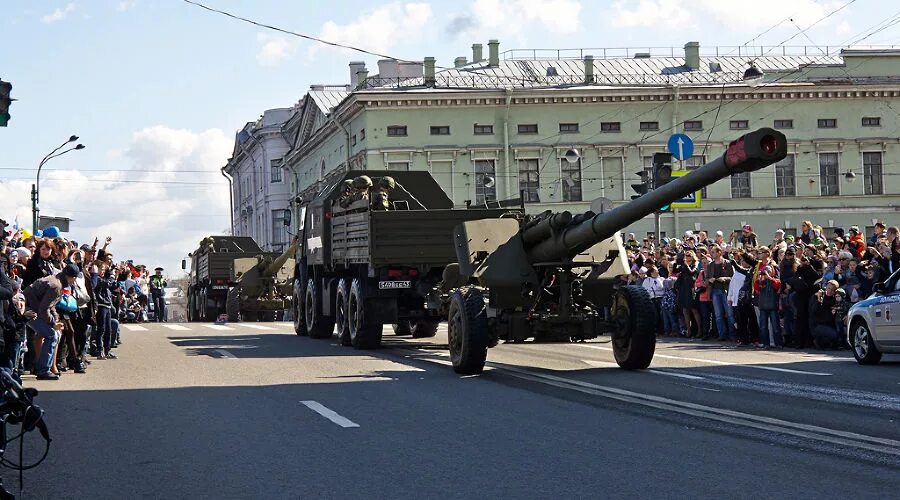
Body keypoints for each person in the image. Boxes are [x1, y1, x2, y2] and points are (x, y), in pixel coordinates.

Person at [23, 263, 79, 380]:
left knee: (55, 334)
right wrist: (53, 323)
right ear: (72, 277)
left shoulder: (57, 281)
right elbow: (43, 309)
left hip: (33, 309)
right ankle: (43, 370)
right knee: (51, 335)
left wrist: (55, 318)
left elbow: (50, 305)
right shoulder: (56, 286)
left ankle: (42, 367)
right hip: (28, 311)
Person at [706, 245, 736, 341]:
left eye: (714, 252)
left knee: (729, 313)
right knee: (718, 315)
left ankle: (732, 334)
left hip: (725, 290)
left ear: (719, 252)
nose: (712, 253)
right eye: (711, 252)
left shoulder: (727, 263)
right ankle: (722, 334)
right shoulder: (711, 265)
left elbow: (733, 277)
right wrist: (710, 280)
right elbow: (706, 278)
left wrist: (725, 278)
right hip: (715, 290)